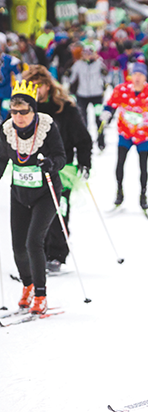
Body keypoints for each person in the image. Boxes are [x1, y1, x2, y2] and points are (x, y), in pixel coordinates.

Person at [0, 80, 66, 314]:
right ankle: (27, 285)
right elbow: (1, 161)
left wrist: (51, 163)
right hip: (19, 193)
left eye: (23, 111)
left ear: (32, 110)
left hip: (45, 194)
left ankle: (40, 293)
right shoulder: (7, 130)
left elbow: (61, 156)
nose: (18, 117)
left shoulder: (47, 127)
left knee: (33, 242)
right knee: (17, 247)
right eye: (14, 111)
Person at [22, 65, 93, 274]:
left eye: (39, 86)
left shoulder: (65, 108)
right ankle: (37, 255)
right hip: (33, 169)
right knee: (33, 214)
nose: (35, 90)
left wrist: (85, 161)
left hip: (62, 167)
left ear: (47, 85)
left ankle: (56, 254)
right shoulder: (26, 108)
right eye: (31, 86)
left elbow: (83, 138)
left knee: (57, 212)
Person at [101, 62, 148, 211]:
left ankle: (143, 195)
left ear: (145, 77)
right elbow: (111, 104)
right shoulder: (122, 90)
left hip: (143, 135)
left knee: (143, 167)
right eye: (135, 74)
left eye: (140, 75)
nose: (137, 78)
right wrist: (107, 112)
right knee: (120, 164)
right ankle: (119, 192)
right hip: (125, 133)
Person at [68, 44, 108, 150]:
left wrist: (105, 81)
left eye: (90, 53)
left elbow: (107, 77)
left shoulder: (99, 64)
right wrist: (67, 75)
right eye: (85, 53)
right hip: (82, 95)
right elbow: (71, 78)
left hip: (97, 95)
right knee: (82, 119)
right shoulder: (78, 64)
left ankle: (101, 142)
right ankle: (84, 142)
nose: (88, 56)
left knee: (98, 118)